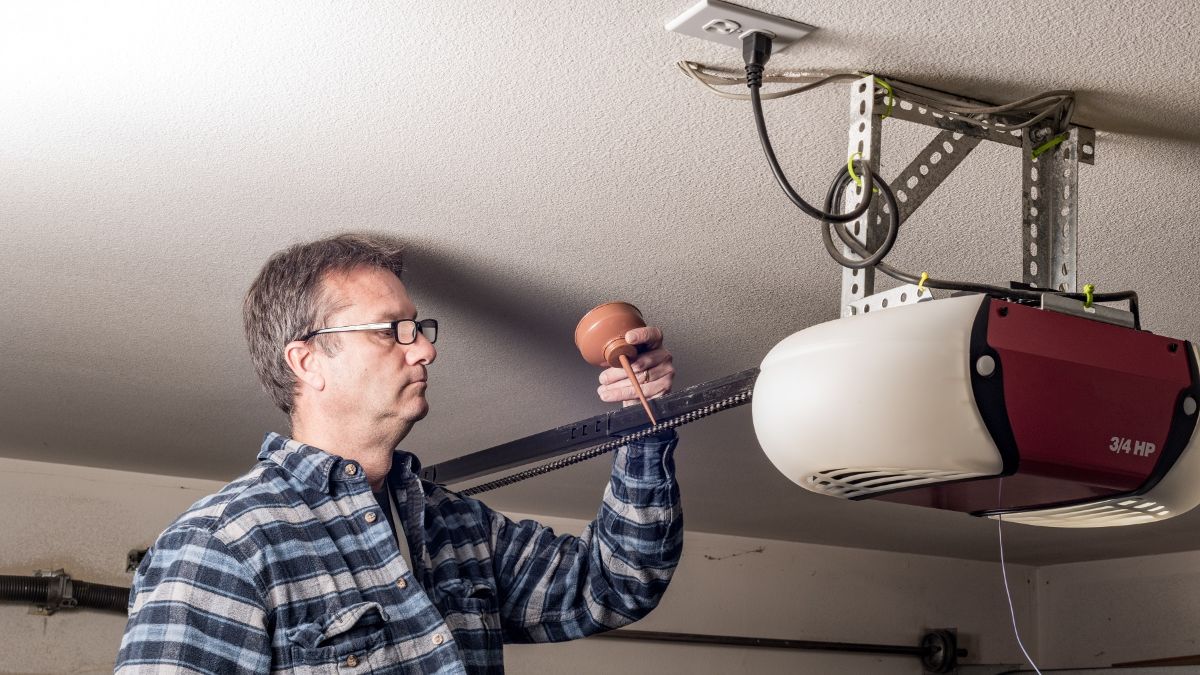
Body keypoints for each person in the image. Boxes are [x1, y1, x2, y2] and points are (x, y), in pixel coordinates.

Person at [115, 233, 682, 674]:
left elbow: (615, 583)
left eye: (418, 327)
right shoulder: (221, 545)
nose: (427, 349)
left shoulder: (457, 528)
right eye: (392, 330)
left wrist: (642, 420)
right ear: (307, 361)